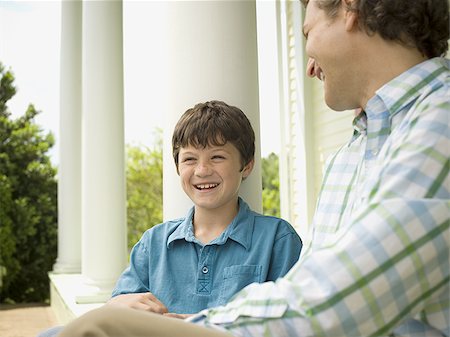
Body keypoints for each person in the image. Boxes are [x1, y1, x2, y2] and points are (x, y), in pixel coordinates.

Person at [58, 0, 449, 336]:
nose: (309, 67)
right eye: (189, 158)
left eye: (308, 31)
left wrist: (167, 326)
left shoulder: (440, 122)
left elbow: (328, 307)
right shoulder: (349, 156)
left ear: (349, 9)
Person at [38, 100, 302, 337]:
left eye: (217, 157)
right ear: (177, 167)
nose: (202, 170)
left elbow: (293, 322)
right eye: (189, 159)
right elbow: (118, 314)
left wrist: (200, 325)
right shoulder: (154, 243)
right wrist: (116, 305)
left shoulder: (278, 239)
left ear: (246, 165)